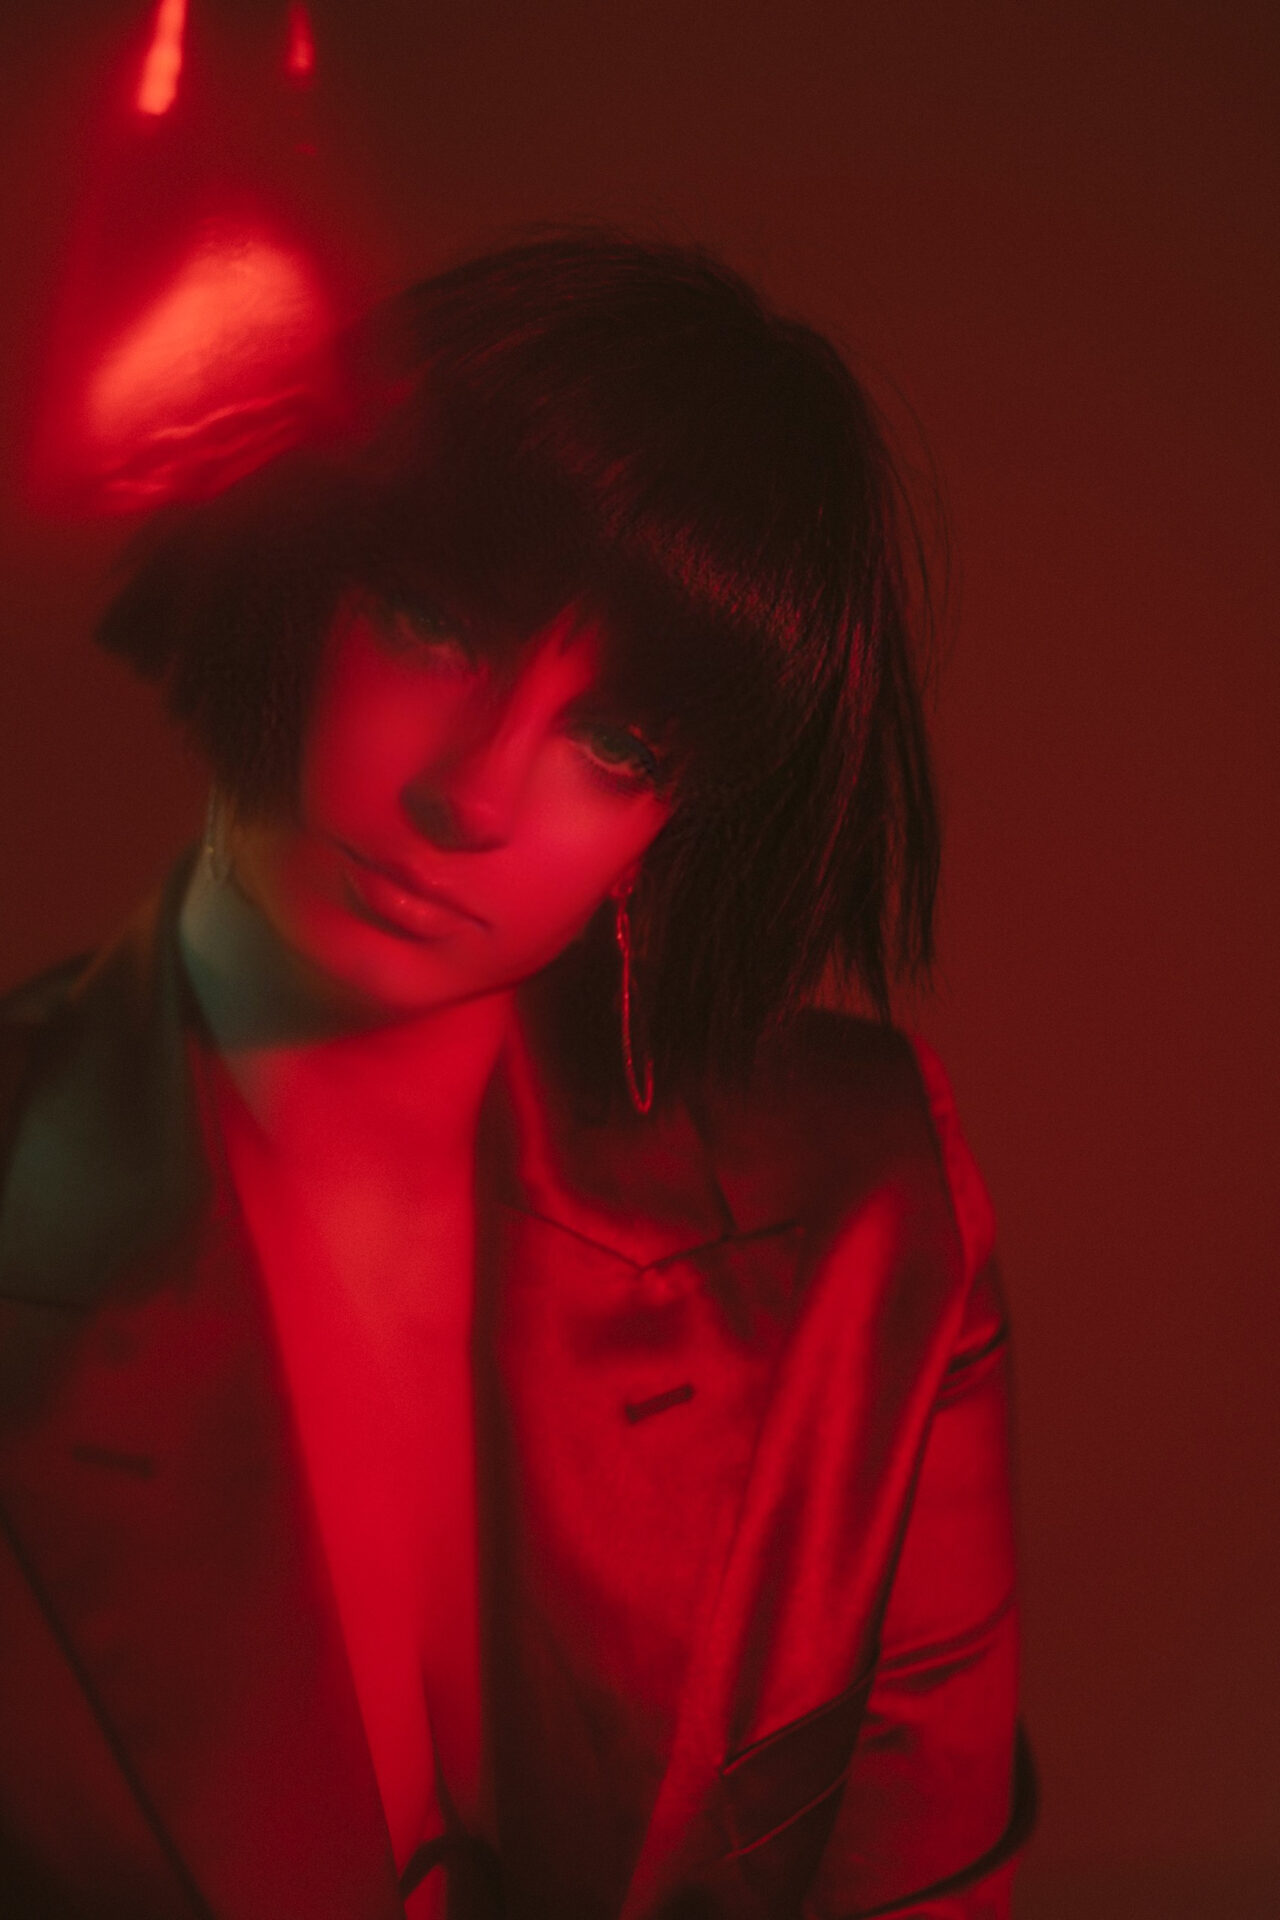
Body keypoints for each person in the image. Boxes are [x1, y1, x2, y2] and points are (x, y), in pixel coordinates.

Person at [0, 231, 1034, 1918]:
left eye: (616, 741)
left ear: (667, 828)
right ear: (291, 568)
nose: (474, 794)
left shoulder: (863, 1204)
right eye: (431, 623)